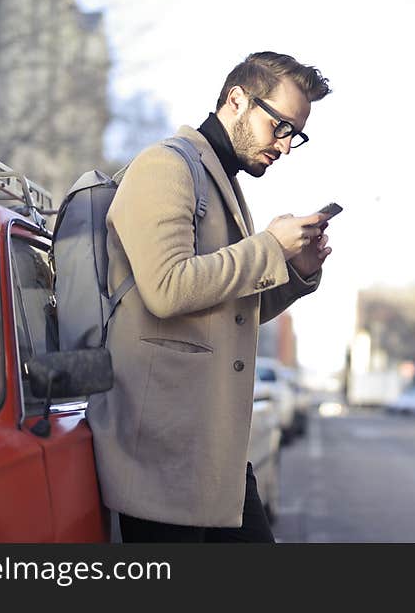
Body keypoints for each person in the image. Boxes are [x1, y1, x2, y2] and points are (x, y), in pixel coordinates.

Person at [86, 51, 333, 542]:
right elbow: (168, 288)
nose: (285, 147)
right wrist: (267, 248)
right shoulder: (166, 166)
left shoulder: (221, 183)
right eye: (280, 127)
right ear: (237, 100)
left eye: (296, 135)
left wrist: (294, 273)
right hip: (162, 454)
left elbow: (226, 310)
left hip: (210, 451)